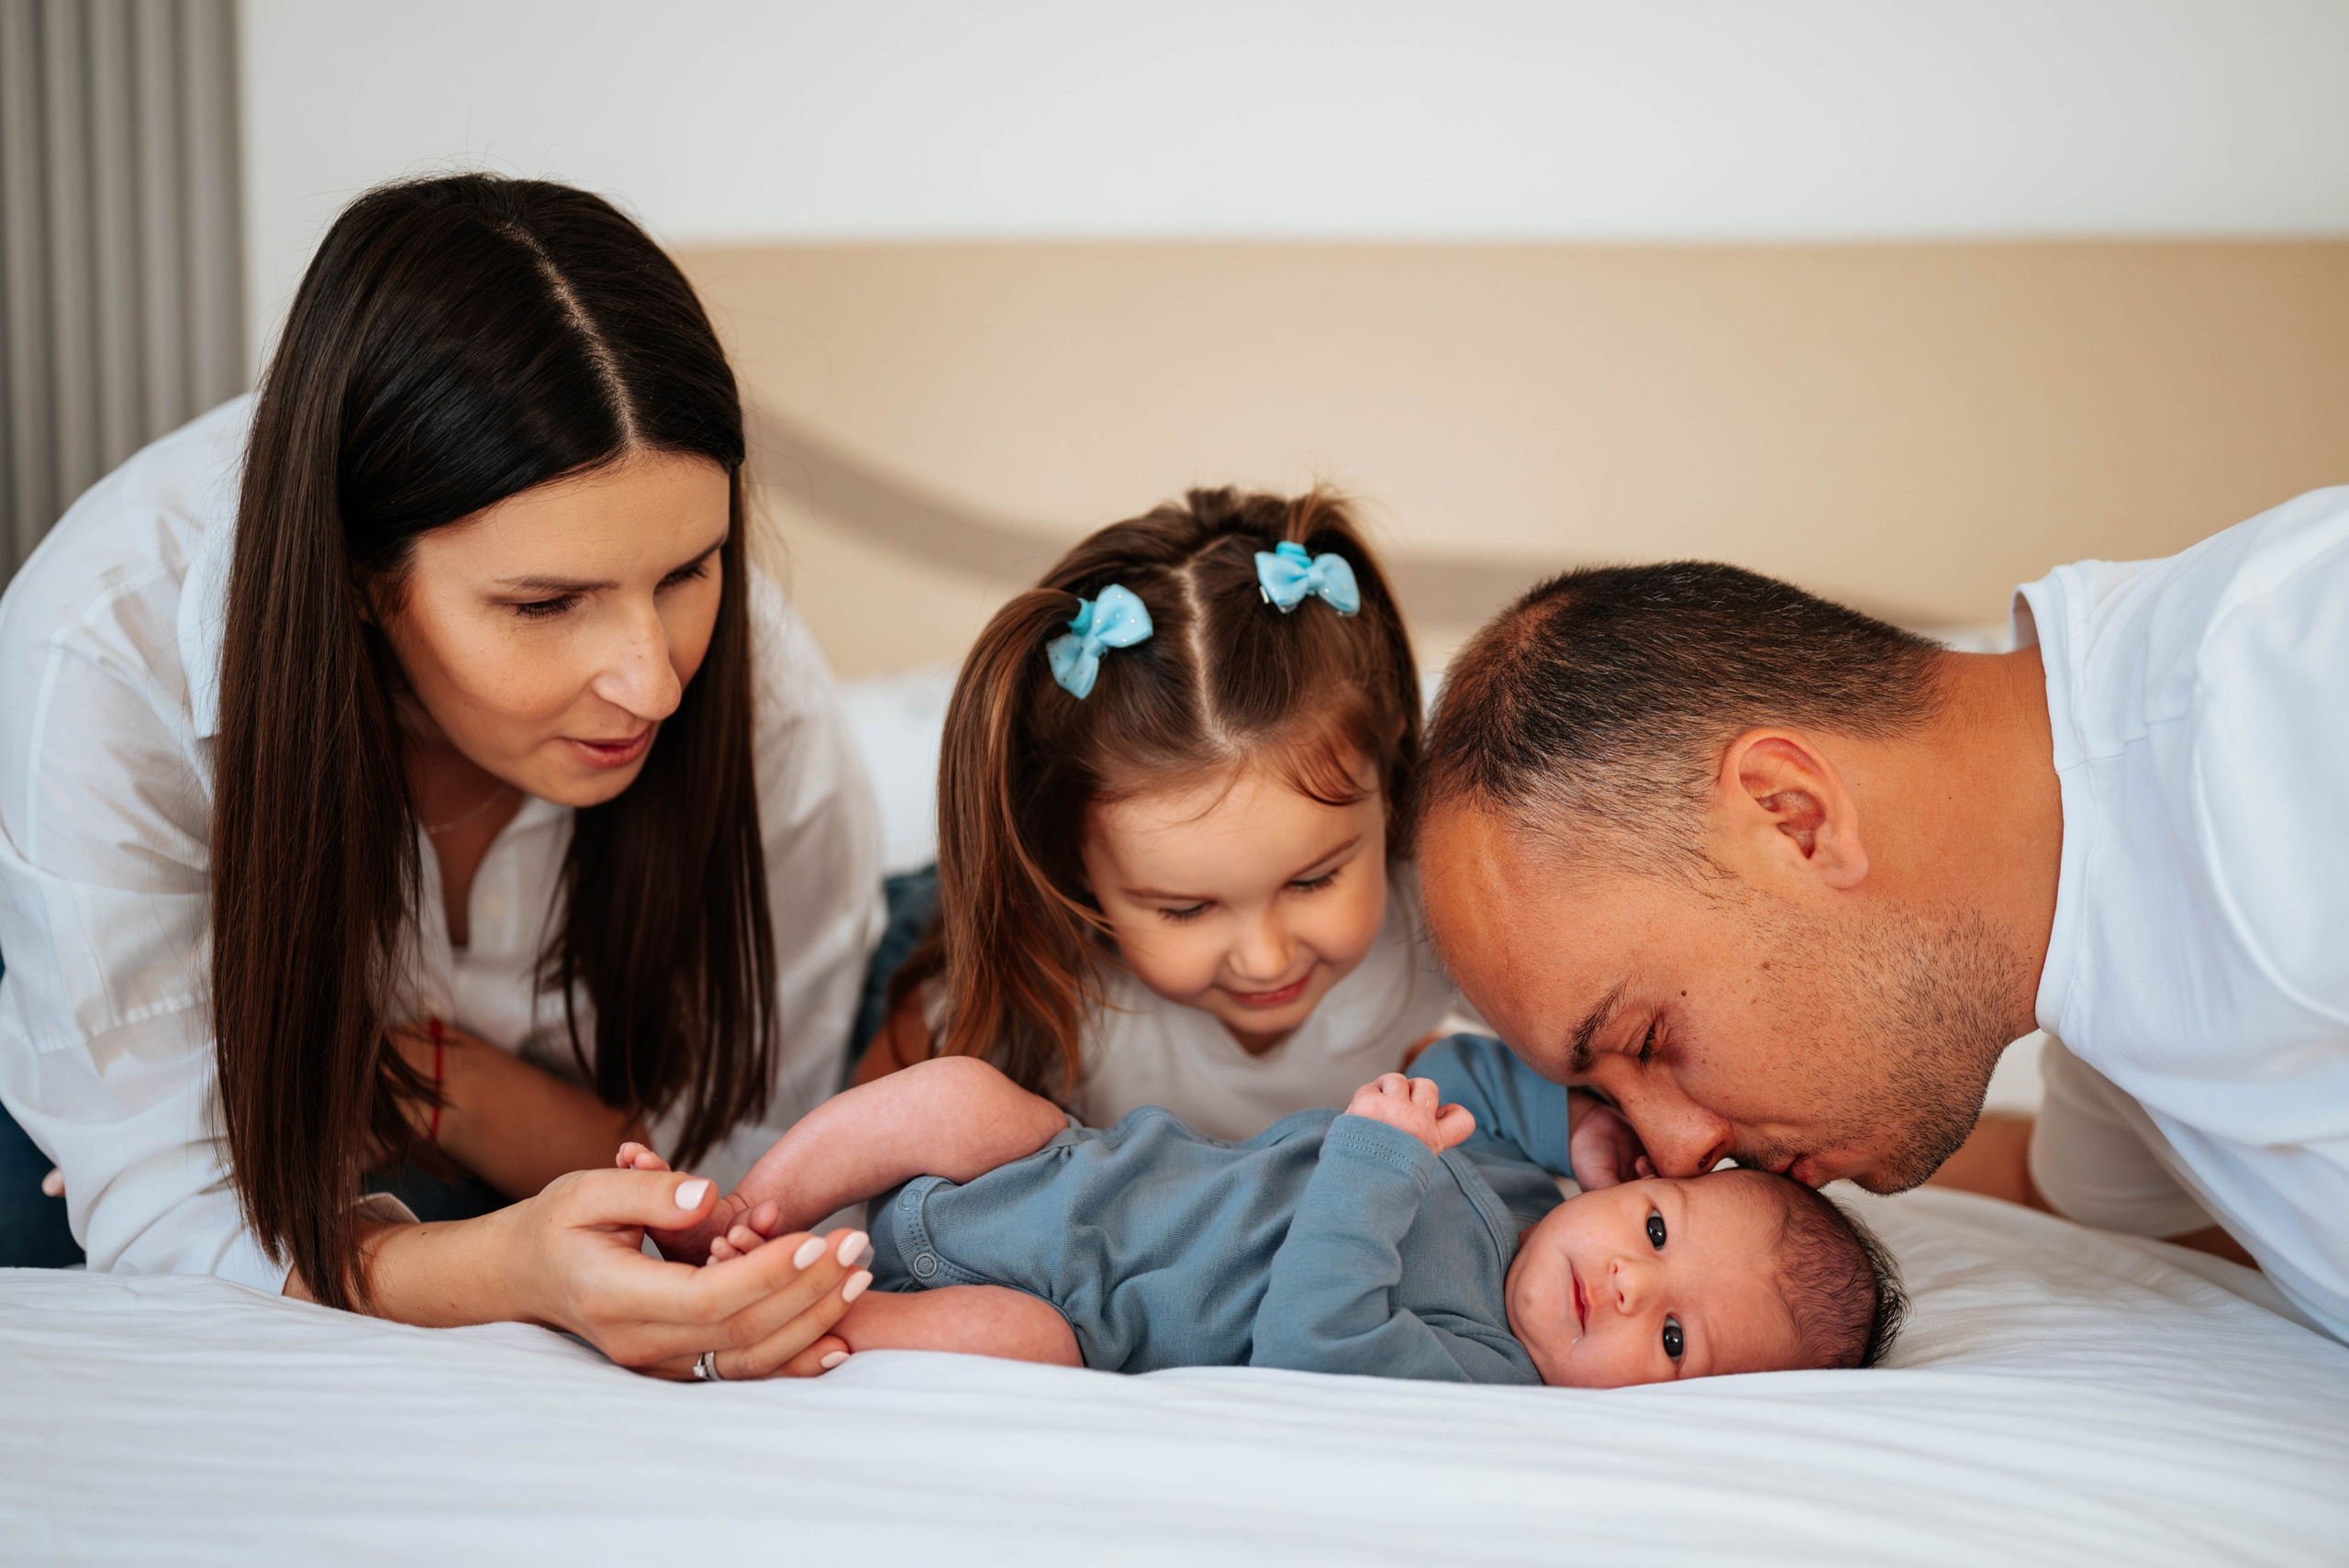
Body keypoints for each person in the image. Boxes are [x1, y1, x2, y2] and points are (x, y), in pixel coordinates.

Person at [0, 173, 883, 1378]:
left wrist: (443, 1087)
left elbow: (750, 1157)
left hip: (466, 1153)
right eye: (545, 603)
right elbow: (170, 1206)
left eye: (690, 569)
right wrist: (503, 1271)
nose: (654, 682)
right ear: (362, 572)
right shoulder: (106, 658)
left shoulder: (754, 682)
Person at [1412, 492, 2349, 1341]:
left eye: (1650, 1037)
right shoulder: (2094, 991)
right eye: (1615, 1097)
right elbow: (2048, 1184)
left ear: (1793, 816)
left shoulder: (2290, 694)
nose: (1677, 1156)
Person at [620, 1036, 1905, 1385]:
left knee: (1024, 1357)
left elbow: (1313, 1344)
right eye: (1660, 1233)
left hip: (1072, 1309)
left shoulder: (1483, 1371)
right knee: (958, 1095)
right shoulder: (1537, 1187)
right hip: (1069, 1168)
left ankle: (765, 1303)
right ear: (1643, 1186)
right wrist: (1571, 1119)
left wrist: (1380, 1163)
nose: (1629, 1286)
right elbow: (1449, 1069)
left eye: (1673, 1341)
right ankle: (746, 1209)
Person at [849, 489, 1474, 1143]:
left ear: (1390, 780)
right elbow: (868, 1149)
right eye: (1186, 908)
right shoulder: (1038, 994)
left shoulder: (1437, 914)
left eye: (1312, 880)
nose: (1266, 960)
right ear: (1074, 859)